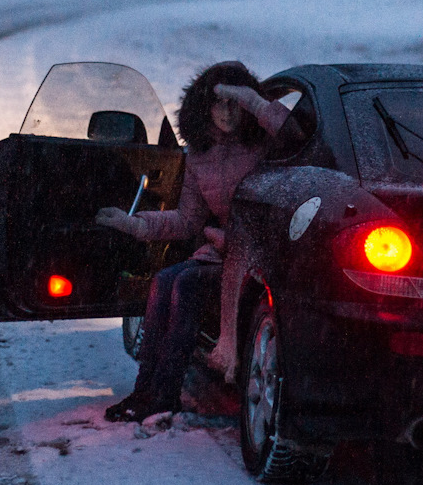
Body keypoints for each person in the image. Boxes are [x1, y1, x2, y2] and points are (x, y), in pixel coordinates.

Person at [94, 61, 289, 422]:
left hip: (261, 252)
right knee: (164, 280)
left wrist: (252, 100)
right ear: (205, 108)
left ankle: (164, 394)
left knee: (184, 283)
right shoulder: (200, 156)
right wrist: (133, 223)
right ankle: (145, 391)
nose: (228, 111)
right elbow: (187, 221)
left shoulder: (265, 142)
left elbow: (296, 133)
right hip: (221, 252)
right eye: (220, 103)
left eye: (235, 102)